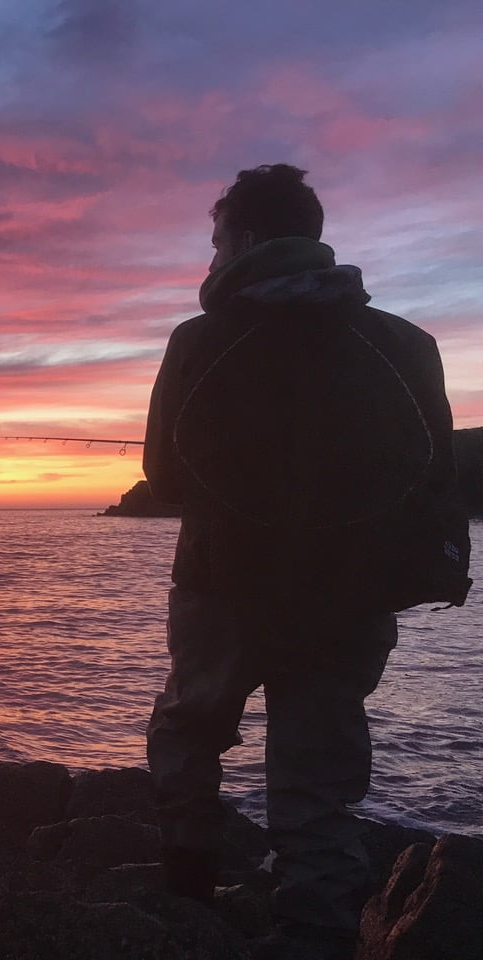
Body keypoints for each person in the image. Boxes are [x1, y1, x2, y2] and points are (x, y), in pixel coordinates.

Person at [142, 164, 465, 960]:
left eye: (216, 243)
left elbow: (163, 471)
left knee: (189, 728)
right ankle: (316, 932)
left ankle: (187, 895)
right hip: (350, 595)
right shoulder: (406, 343)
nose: (211, 262)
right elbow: (433, 471)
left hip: (224, 585)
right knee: (318, 774)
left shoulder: (199, 340)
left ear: (247, 239)